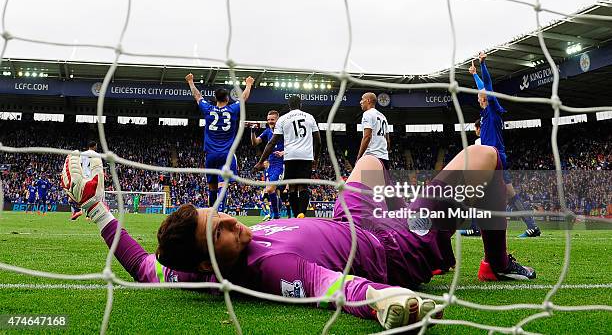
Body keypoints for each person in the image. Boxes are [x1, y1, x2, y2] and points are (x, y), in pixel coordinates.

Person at [61, 144, 535, 332]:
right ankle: (496, 260)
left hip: (348, 222)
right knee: (483, 158)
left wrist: (97, 209)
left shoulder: (193, 264)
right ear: (208, 266)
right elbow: (328, 285)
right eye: (221, 232)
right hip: (391, 248)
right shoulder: (270, 269)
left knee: (370, 161)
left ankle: (415, 206)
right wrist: (382, 299)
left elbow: (144, 267)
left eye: (219, 216)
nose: (232, 223)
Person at [467, 52, 541, 238]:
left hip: (494, 157)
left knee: (476, 190)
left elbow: (487, 86)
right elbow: (483, 87)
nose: (478, 95)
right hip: (494, 157)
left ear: (484, 99)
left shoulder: (492, 109)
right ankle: (532, 226)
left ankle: (476, 227)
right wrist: (474, 74)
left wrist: (483, 65)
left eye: (480, 95)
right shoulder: (486, 114)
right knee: (508, 193)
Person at [186, 74, 254, 212]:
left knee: (212, 186)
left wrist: (191, 82)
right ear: (227, 98)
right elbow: (243, 98)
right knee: (222, 183)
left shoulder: (208, 109)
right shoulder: (232, 109)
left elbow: (197, 96)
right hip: (227, 154)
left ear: (215, 99)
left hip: (211, 155)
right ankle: (221, 211)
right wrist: (248, 85)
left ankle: (213, 212)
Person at [253, 95, 320, 218]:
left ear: (289, 106)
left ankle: (295, 215)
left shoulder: (283, 119)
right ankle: (302, 213)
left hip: (290, 157)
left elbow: (271, 142)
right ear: (301, 105)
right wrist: (316, 158)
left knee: (292, 187)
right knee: (303, 186)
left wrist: (260, 161)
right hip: (306, 156)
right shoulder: (310, 117)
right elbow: (318, 141)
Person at [251, 111, 284, 219]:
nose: (270, 121)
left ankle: (276, 214)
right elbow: (255, 143)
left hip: (281, 164)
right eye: (269, 119)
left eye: (272, 119)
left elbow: (293, 144)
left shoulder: (284, 131)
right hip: (270, 165)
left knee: (270, 189)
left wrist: (284, 152)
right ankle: (276, 215)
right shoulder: (267, 131)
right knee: (271, 190)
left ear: (277, 120)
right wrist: (252, 132)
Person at [357, 92, 390, 169]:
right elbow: (388, 140)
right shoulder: (383, 117)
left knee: (368, 181)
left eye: (362, 99)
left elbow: (367, 137)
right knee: (381, 181)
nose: (360, 102)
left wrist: (359, 156)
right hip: (384, 159)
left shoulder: (367, 114)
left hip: (371, 158)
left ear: (368, 100)